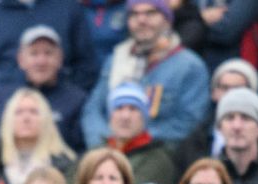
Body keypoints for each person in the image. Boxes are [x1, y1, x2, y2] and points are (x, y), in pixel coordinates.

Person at [81, 0, 210, 149]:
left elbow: (188, 123)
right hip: (110, 153)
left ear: (167, 21)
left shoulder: (189, 66)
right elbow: (93, 110)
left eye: (151, 13)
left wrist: (134, 142)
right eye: (134, 14)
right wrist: (103, 143)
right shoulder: (116, 58)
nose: (141, 20)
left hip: (160, 157)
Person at [0, 25, 89, 153]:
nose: (41, 61)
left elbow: (82, 151)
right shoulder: (3, 97)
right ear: (21, 59)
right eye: (34, 53)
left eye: (48, 53)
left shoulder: (76, 100)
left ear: (60, 59)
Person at [171, 57, 258, 177]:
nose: (231, 94)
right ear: (214, 93)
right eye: (225, 88)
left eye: (238, 89)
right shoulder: (194, 140)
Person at [103, 81, 176, 184]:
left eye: (133, 109)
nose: (125, 116)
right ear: (110, 117)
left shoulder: (158, 160)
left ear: (144, 118)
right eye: (119, 108)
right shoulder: (96, 153)